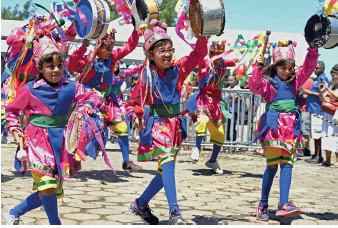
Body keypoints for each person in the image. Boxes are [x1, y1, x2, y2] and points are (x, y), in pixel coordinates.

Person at [4, 35, 102, 225]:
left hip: (61, 143)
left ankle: (13, 213)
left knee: (48, 191)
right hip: (37, 142)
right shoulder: (30, 89)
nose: (56, 69)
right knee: (48, 188)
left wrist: (88, 104)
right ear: (39, 68)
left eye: (59, 65)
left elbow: (93, 95)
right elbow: (12, 109)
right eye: (50, 66)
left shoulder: (71, 86)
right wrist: (15, 128)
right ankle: (55, 223)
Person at [124, 19, 208, 225]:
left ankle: (140, 204)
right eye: (161, 50)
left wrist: (203, 33)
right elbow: (132, 102)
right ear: (150, 55)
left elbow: (198, 54)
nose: (167, 54)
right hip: (157, 125)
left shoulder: (178, 70)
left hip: (174, 125)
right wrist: (136, 113)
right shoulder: (146, 76)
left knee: (164, 173)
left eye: (169, 49)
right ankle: (174, 212)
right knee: (168, 162)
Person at [248, 41, 318, 221]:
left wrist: (313, 48)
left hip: (291, 129)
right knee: (272, 166)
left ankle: (284, 203)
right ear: (274, 67)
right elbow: (254, 85)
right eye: (283, 68)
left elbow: (309, 67)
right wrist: (258, 66)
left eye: (290, 68)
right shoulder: (267, 83)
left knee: (287, 164)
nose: (287, 71)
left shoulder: (296, 82)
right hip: (273, 127)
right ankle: (263, 203)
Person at [66, 27, 143, 171]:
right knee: (82, 131)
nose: (109, 51)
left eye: (111, 48)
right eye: (106, 48)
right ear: (99, 46)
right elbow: (70, 64)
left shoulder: (112, 57)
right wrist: (83, 47)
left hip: (107, 100)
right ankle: (71, 162)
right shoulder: (89, 58)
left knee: (122, 127)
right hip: (88, 99)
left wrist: (135, 31)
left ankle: (126, 162)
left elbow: (129, 47)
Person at [186, 40, 237, 174]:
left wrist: (250, 52)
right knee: (202, 120)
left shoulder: (223, 63)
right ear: (210, 53)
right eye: (215, 55)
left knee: (220, 133)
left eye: (220, 55)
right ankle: (196, 147)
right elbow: (198, 56)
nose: (218, 58)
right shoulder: (204, 63)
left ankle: (213, 161)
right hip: (203, 99)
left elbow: (235, 61)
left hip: (216, 102)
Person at [305, 61, 330, 164]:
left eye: (317, 68)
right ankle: (316, 154)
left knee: (317, 134)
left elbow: (324, 94)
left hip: (318, 110)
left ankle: (318, 156)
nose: (315, 70)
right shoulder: (317, 78)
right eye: (315, 68)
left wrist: (310, 93)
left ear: (323, 69)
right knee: (315, 134)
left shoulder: (323, 79)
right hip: (313, 109)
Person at [318, 64, 338, 168]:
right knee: (326, 135)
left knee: (335, 136)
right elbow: (322, 98)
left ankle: (337, 161)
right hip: (327, 114)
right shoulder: (332, 86)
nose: (332, 77)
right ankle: (327, 160)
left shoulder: (332, 88)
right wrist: (321, 90)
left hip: (335, 116)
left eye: (334, 75)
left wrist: (328, 90)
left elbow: (337, 96)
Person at [298, 65, 313, 157]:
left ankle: (305, 148)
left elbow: (312, 96)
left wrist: (300, 96)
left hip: (305, 109)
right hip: (297, 109)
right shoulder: (297, 81)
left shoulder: (310, 81)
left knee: (304, 130)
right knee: (298, 130)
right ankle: (301, 148)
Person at [225, 75, 241, 148]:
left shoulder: (238, 88)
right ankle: (228, 143)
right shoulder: (227, 88)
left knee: (232, 126)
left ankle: (233, 143)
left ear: (235, 81)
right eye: (229, 80)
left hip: (234, 111)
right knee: (227, 127)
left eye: (231, 80)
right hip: (227, 111)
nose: (230, 82)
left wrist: (230, 93)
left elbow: (235, 99)